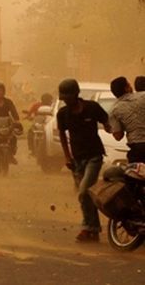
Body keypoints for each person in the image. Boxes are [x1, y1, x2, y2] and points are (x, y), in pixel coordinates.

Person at [56, 78, 110, 243]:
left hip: (94, 156)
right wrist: (67, 157)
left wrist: (111, 128)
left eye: (68, 97)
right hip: (77, 159)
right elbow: (63, 137)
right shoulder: (62, 114)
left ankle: (88, 227)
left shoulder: (92, 108)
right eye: (63, 98)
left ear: (76, 94)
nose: (66, 100)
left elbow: (107, 121)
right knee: (87, 196)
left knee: (83, 191)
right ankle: (92, 230)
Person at [108, 76, 145, 164]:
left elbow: (118, 136)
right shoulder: (143, 97)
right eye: (129, 84)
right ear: (127, 88)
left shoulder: (114, 110)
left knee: (137, 174)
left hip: (137, 149)